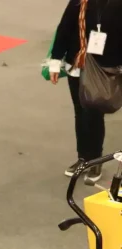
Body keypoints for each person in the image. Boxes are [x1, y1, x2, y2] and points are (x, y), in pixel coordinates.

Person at [50, 0, 122, 183]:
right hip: (77, 63)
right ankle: (83, 157)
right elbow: (65, 27)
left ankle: (95, 159)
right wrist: (55, 61)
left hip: (104, 67)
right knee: (80, 112)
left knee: (94, 113)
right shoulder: (79, 1)